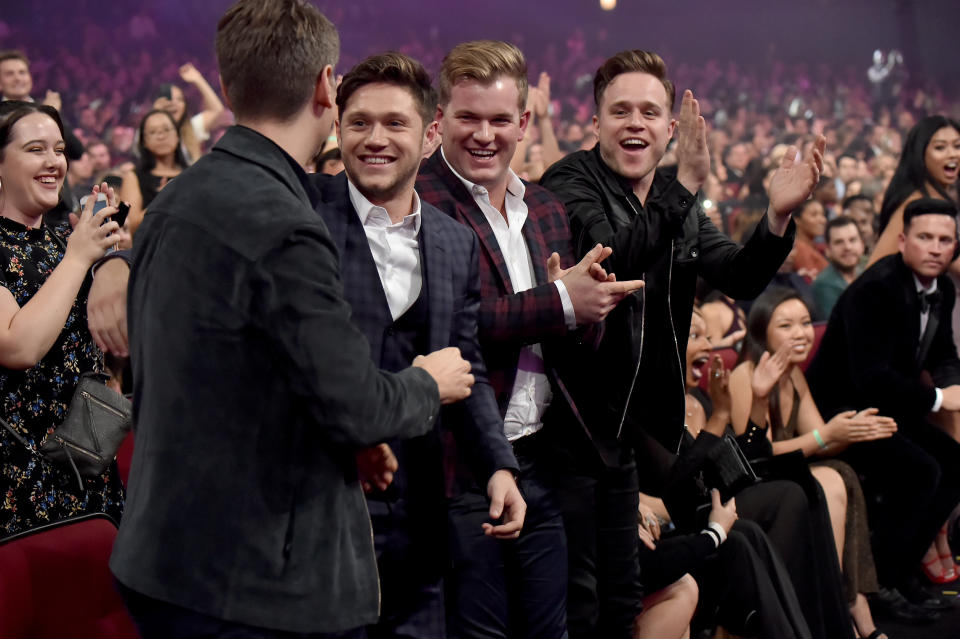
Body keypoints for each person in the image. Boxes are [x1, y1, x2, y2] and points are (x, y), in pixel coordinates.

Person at [108, 3, 474, 637]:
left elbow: (236, 371)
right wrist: (426, 382)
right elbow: (356, 406)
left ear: (226, 87)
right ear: (326, 87)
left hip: (163, 562)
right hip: (253, 587)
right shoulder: (283, 221)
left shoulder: (180, 198)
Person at [539, 49, 825, 636]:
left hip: (664, 424)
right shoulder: (569, 181)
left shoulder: (680, 198)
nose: (635, 123)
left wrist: (773, 218)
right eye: (620, 111)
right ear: (595, 123)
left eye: (650, 112)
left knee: (778, 509)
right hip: (600, 432)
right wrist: (687, 185)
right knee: (727, 543)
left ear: (671, 128)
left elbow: (739, 276)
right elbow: (616, 256)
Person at [416, 40, 642, 639]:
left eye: (498, 120)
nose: (483, 134)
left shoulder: (543, 206)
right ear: (440, 122)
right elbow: (459, 326)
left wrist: (587, 309)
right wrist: (563, 301)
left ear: (524, 122)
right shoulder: (420, 202)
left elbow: (569, 344)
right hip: (457, 464)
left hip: (543, 458)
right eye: (468, 118)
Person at [313, 51, 525, 639]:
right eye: (359, 123)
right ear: (337, 128)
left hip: (422, 525)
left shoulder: (455, 244)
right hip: (321, 514)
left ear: (430, 134)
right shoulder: (302, 215)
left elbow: (467, 368)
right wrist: (118, 264)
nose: (374, 139)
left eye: (395, 123)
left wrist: (498, 468)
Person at [807, 197, 960, 620]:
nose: (935, 248)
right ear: (902, 240)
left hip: (892, 406)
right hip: (844, 412)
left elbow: (943, 352)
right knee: (921, 471)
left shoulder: (942, 288)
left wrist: (953, 385)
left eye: (945, 240)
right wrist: (938, 399)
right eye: (925, 238)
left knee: (953, 463)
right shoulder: (875, 289)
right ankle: (878, 584)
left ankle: (901, 569)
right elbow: (868, 377)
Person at [729, 288, 893, 638]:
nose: (801, 332)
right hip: (755, 485)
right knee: (831, 480)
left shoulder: (794, 374)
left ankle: (851, 602)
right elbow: (758, 452)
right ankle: (840, 604)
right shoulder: (745, 373)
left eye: (805, 323)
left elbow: (820, 437)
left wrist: (853, 428)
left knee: (843, 473)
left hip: (786, 476)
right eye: (786, 325)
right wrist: (828, 435)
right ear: (763, 333)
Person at [0, 101, 122, 536]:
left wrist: (112, 262)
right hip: (20, 476)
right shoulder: (70, 249)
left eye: (59, 148)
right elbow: (18, 347)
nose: (54, 161)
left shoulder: (63, 241)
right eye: (35, 149)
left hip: (87, 463)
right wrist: (80, 256)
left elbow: (116, 347)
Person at [867, 114, 960, 267]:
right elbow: (875, 267)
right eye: (940, 147)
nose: (952, 154)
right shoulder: (916, 203)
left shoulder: (943, 197)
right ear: (921, 155)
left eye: (957, 146)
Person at [120, 109, 187, 236]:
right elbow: (128, 227)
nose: (161, 136)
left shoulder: (191, 173)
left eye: (166, 130)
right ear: (144, 141)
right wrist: (162, 198)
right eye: (153, 132)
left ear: (177, 135)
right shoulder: (133, 177)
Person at [153, 61, 226, 164]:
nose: (175, 103)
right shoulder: (149, 133)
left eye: (180, 99)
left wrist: (198, 80)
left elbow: (217, 111)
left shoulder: (191, 128)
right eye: (170, 100)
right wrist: (155, 113)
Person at [811, 216, 865, 317]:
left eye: (852, 240)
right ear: (828, 250)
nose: (847, 247)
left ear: (862, 245)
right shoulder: (824, 284)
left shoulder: (865, 274)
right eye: (839, 242)